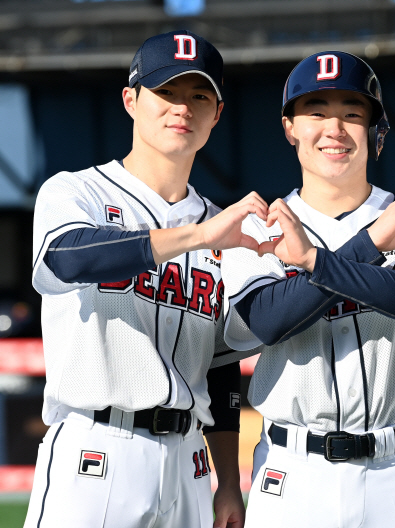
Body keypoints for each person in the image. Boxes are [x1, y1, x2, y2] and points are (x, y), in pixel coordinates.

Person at [26, 30, 263, 528]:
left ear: (217, 114)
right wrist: (196, 237)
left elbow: (219, 368)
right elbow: (66, 259)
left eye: (200, 95)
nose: (183, 107)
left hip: (189, 462)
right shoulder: (77, 192)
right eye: (166, 91)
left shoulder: (220, 226)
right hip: (97, 448)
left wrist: (227, 480)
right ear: (131, 100)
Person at [219, 51, 395, 528]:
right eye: (316, 112)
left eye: (353, 114)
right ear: (290, 127)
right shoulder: (257, 226)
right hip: (292, 471)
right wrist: (371, 245)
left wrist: (315, 266)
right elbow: (269, 318)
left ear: (376, 132)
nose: (335, 128)